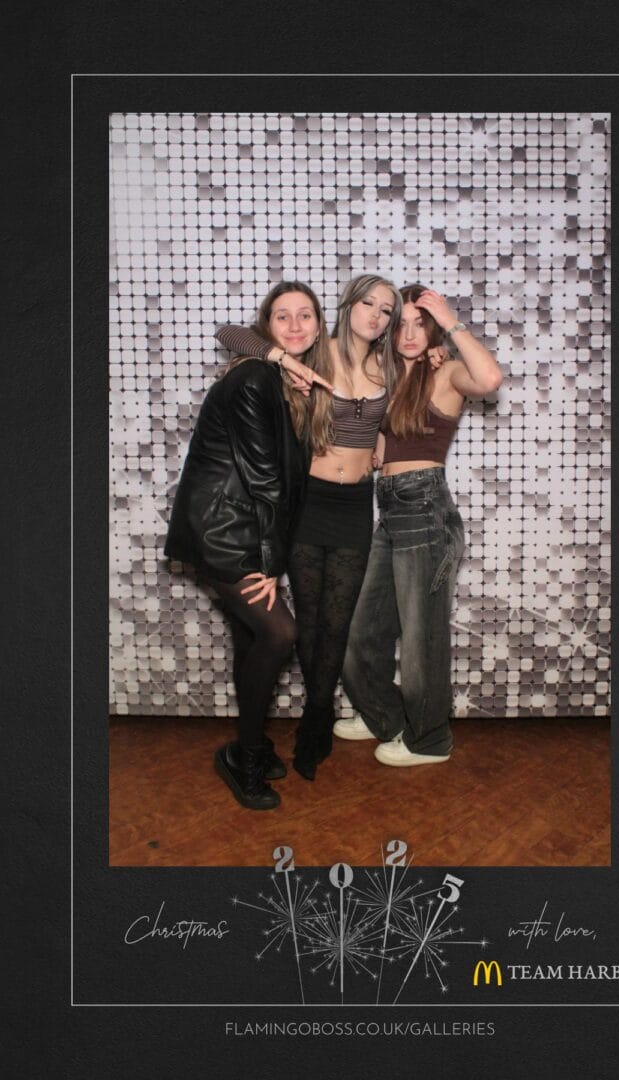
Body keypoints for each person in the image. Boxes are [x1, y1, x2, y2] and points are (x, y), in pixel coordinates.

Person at [215, 274, 404, 780]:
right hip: (308, 503)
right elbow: (229, 334)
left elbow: (393, 417)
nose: (376, 315)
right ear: (347, 305)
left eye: (386, 310)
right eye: (368, 303)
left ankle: (316, 719)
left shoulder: (390, 364)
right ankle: (314, 719)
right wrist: (281, 358)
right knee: (310, 618)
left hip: (355, 506)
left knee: (336, 625)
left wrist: (382, 441)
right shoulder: (315, 353)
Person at [164, 282, 332, 809]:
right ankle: (243, 755)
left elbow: (284, 476)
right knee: (280, 633)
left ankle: (250, 746)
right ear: (267, 327)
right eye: (282, 316)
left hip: (237, 524)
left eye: (305, 315)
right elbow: (267, 482)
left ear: (319, 327)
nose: (295, 325)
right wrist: (273, 565)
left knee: (251, 636)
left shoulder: (284, 385)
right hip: (224, 530)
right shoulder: (257, 376)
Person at [337, 285, 503, 766]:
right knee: (360, 631)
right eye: (401, 324)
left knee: (420, 638)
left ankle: (430, 740)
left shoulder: (446, 371)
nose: (409, 334)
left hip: (426, 511)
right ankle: (386, 718)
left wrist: (450, 323)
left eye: (420, 324)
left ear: (433, 329)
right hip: (390, 511)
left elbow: (490, 378)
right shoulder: (389, 375)